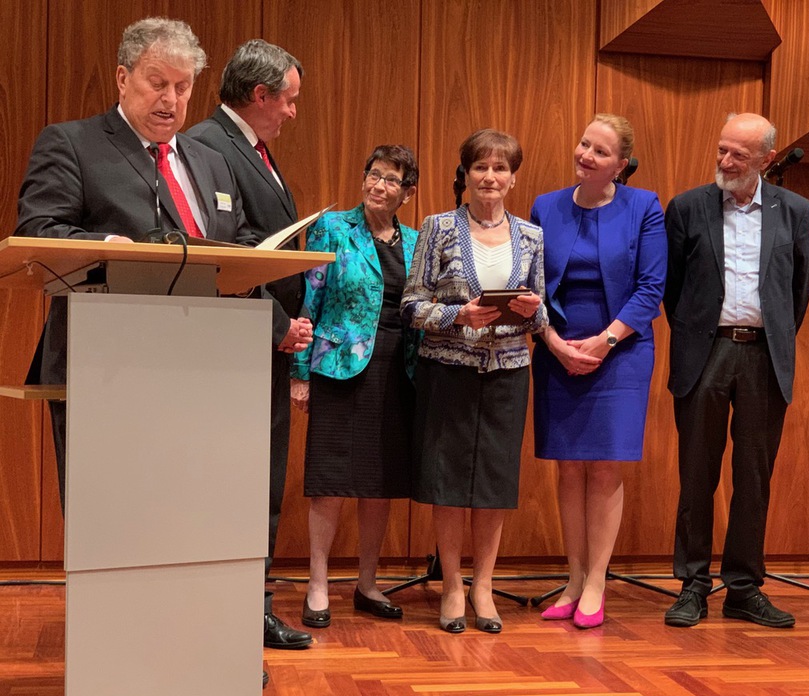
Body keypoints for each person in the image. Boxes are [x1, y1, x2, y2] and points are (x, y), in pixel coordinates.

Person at [17, 17, 262, 506]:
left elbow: (237, 238)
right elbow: (38, 230)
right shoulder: (72, 143)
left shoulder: (211, 161)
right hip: (105, 361)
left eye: (183, 87)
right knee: (111, 512)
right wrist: (111, 246)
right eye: (157, 83)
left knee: (195, 508)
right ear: (122, 78)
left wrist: (256, 260)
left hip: (210, 363)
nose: (170, 99)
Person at [662, 112, 809, 630]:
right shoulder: (687, 207)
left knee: (753, 476)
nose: (726, 161)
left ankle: (744, 588)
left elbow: (798, 292)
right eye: (722, 150)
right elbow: (673, 288)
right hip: (706, 352)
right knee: (696, 474)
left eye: (739, 155)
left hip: (764, 356)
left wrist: (771, 338)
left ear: (767, 160)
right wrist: (698, 333)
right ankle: (693, 585)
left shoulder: (796, 211)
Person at [187, 39, 312, 653]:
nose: (292, 112)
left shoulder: (250, 148)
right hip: (235, 343)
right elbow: (225, 254)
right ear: (259, 95)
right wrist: (276, 323)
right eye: (288, 100)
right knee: (234, 483)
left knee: (261, 481)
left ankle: (250, 607)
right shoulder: (206, 147)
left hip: (262, 344)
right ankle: (227, 615)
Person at [401, 129, 547, 634]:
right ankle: (451, 585)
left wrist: (531, 310)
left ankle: (483, 586)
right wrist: (457, 314)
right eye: (480, 167)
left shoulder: (531, 236)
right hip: (448, 371)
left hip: (508, 373)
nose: (490, 177)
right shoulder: (438, 227)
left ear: (513, 177)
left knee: (494, 483)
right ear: (465, 174)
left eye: (500, 168)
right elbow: (411, 305)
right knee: (446, 482)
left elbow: (541, 312)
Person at [529, 114, 667, 629]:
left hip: (621, 353)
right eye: (584, 144)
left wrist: (606, 340)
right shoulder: (545, 206)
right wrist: (553, 342)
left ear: (621, 164)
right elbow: (530, 286)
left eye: (601, 151)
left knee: (605, 468)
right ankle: (572, 578)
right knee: (568, 467)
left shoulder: (644, 207)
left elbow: (651, 288)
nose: (586, 155)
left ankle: (596, 584)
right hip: (558, 350)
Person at [289, 146, 420, 628]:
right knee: (329, 481)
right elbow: (309, 299)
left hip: (398, 369)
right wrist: (300, 372)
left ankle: (368, 583)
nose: (378, 185)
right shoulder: (332, 228)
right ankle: (318, 584)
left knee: (379, 484)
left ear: (407, 193)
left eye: (391, 180)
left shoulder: (416, 241)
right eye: (373, 174)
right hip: (339, 367)